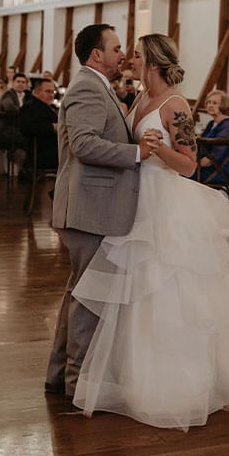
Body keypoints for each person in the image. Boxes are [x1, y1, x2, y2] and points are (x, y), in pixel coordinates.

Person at [71, 33, 229, 430]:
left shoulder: (176, 104)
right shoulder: (137, 100)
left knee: (169, 290)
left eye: (136, 55)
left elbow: (188, 164)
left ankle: (179, 385)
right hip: (135, 202)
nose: (129, 59)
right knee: (137, 292)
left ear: (152, 61)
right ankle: (135, 378)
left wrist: (158, 149)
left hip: (166, 205)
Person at [45, 24, 159, 399]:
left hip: (93, 205)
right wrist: (136, 153)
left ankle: (61, 375)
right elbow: (83, 145)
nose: (122, 54)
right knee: (91, 298)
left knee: (79, 292)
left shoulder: (97, 86)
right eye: (116, 48)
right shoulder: (86, 88)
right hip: (89, 207)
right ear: (97, 54)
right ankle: (81, 385)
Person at [191, 88, 229, 185]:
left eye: (214, 103)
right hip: (205, 167)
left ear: (223, 105)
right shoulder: (212, 123)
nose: (210, 105)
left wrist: (193, 165)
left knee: (179, 174)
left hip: (218, 171)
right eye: (208, 102)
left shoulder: (227, 125)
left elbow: (214, 158)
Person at [19, 78, 59, 169]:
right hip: (40, 148)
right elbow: (26, 128)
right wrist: (52, 127)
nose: (51, 95)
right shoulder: (29, 107)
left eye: (53, 92)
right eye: (48, 91)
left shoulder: (48, 107)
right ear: (37, 92)